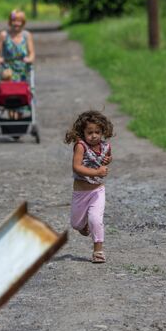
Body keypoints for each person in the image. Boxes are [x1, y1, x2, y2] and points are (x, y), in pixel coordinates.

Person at [64, 110, 114, 263]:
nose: (94, 135)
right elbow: (76, 167)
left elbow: (107, 158)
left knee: (96, 220)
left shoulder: (106, 146)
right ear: (83, 132)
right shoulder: (81, 146)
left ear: (103, 131)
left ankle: (98, 251)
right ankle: (83, 226)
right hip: (81, 193)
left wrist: (107, 161)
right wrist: (97, 171)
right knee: (76, 223)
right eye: (90, 132)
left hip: (97, 191)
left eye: (97, 132)